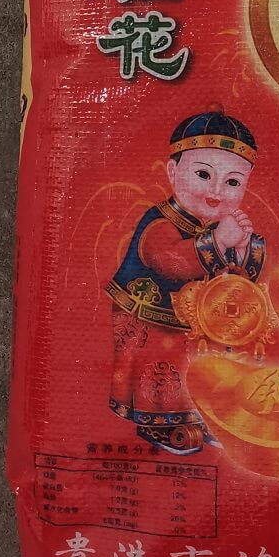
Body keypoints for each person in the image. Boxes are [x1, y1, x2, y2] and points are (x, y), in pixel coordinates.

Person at [106, 110, 265, 455]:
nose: (216, 191)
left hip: (199, 321)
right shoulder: (159, 220)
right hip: (154, 318)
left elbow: (237, 281)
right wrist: (218, 242)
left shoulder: (219, 225)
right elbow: (169, 262)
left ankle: (204, 416)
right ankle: (160, 422)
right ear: (173, 172)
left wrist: (241, 249)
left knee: (213, 365)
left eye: (233, 182)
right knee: (165, 370)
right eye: (203, 174)